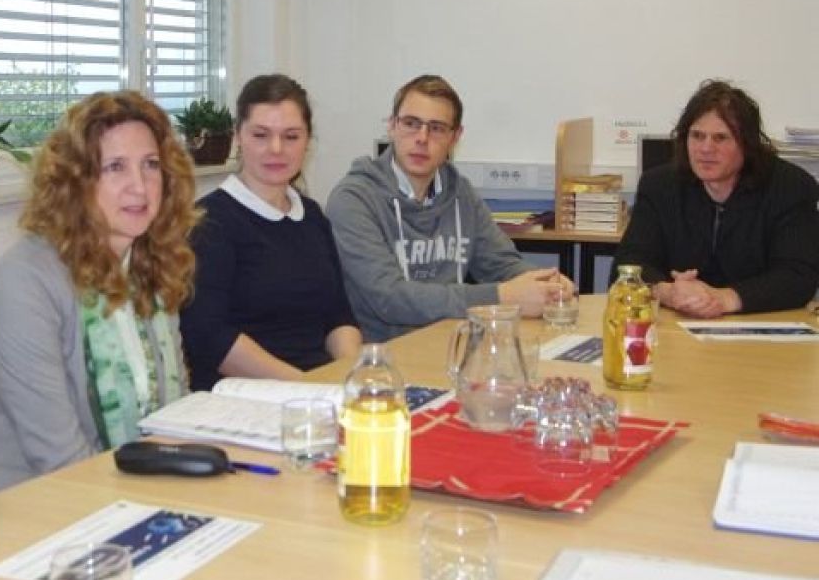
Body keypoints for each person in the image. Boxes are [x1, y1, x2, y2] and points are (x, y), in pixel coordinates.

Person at [0, 91, 197, 490]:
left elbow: (178, 414)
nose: (140, 186)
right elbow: (59, 460)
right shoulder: (24, 286)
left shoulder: (149, 262)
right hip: (30, 505)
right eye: (115, 167)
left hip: (129, 488)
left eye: (151, 165)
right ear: (75, 182)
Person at [327, 74, 573, 342]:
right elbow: (389, 298)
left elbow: (500, 262)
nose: (422, 138)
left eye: (437, 128)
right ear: (392, 126)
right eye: (411, 123)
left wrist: (544, 283)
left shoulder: (460, 193)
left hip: (451, 344)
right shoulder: (353, 200)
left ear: (455, 137)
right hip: (385, 354)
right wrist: (501, 296)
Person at [180, 74, 362, 390]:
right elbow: (210, 337)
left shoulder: (312, 216)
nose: (276, 149)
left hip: (318, 388)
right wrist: (305, 386)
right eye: (261, 135)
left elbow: (338, 315)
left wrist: (351, 374)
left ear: (307, 141)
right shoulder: (208, 222)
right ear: (238, 136)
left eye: (291, 136)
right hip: (242, 396)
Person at [614, 79, 819, 317]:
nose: (706, 149)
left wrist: (724, 299)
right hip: (677, 323)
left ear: (747, 144)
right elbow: (629, 264)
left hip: (759, 322)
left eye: (720, 138)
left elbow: (797, 276)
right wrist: (667, 292)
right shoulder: (660, 185)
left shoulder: (790, 187)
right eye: (697, 136)